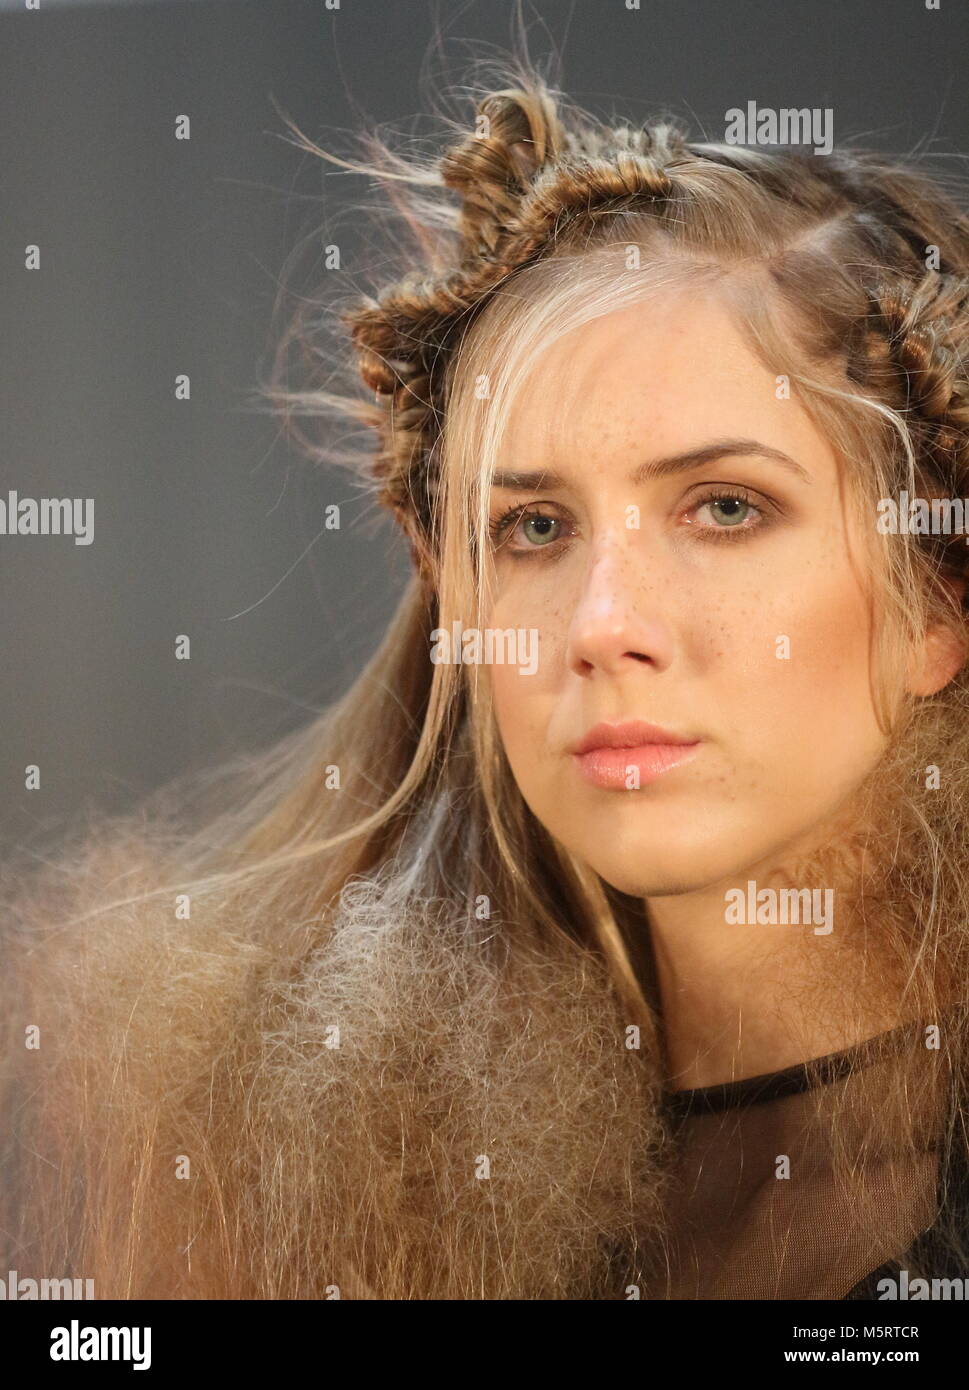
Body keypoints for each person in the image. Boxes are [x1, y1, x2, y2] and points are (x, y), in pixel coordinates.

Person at [3, 52, 969, 1300]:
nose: (601, 626)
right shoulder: (314, 1218)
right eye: (534, 528)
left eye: (726, 507)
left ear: (938, 599)